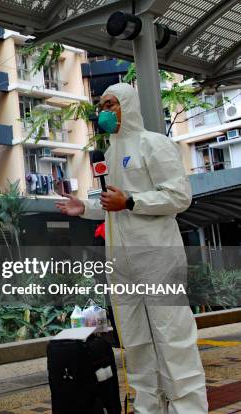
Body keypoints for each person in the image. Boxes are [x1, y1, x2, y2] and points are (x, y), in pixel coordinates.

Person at [56, 83, 207, 414]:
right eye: (102, 104)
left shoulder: (155, 144)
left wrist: (133, 201)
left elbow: (180, 196)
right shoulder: (108, 154)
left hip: (157, 259)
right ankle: (148, 407)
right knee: (135, 342)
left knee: (172, 339)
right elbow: (115, 204)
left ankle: (188, 409)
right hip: (122, 263)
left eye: (112, 103)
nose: (105, 111)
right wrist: (85, 208)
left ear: (129, 105)